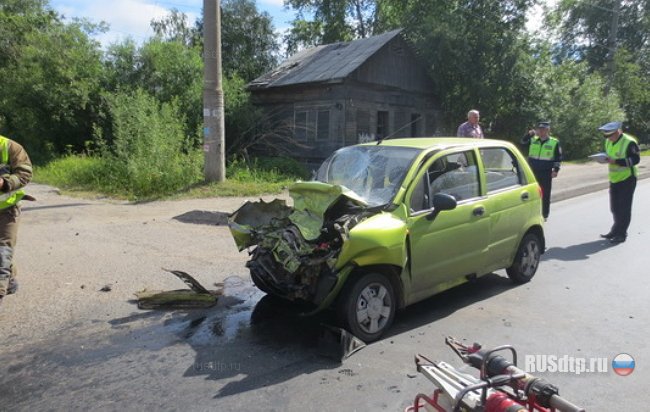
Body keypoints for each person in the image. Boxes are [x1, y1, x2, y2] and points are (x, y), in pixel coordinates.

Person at [0, 134, 32, 305]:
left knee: (2, 251)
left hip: (7, 210)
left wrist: (4, 183)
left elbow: (25, 173)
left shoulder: (10, 147)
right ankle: (10, 278)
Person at [598, 121, 639, 244]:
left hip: (627, 178)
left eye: (611, 135)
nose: (609, 138)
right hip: (614, 179)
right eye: (607, 136)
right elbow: (609, 155)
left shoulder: (629, 142)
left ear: (618, 131)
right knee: (614, 207)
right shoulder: (608, 141)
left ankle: (621, 234)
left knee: (624, 208)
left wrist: (616, 161)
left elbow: (635, 159)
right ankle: (615, 230)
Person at [521, 121, 562, 220]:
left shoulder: (554, 142)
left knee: (545, 194)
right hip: (532, 171)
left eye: (543, 129)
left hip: (546, 172)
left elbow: (558, 158)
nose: (541, 131)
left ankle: (544, 214)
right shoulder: (533, 139)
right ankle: (532, 214)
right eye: (539, 129)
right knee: (531, 193)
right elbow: (522, 143)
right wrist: (528, 134)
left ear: (548, 130)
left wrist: (555, 170)